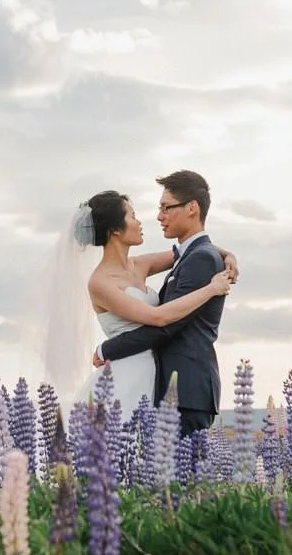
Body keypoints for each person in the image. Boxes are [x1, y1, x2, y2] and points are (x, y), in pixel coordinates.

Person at [92, 170, 227, 436]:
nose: (157, 217)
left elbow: (166, 325)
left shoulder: (197, 259)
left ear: (192, 208)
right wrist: (217, 274)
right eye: (134, 215)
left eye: (166, 208)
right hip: (143, 380)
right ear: (114, 230)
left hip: (185, 389)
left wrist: (106, 349)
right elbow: (162, 317)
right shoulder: (101, 280)